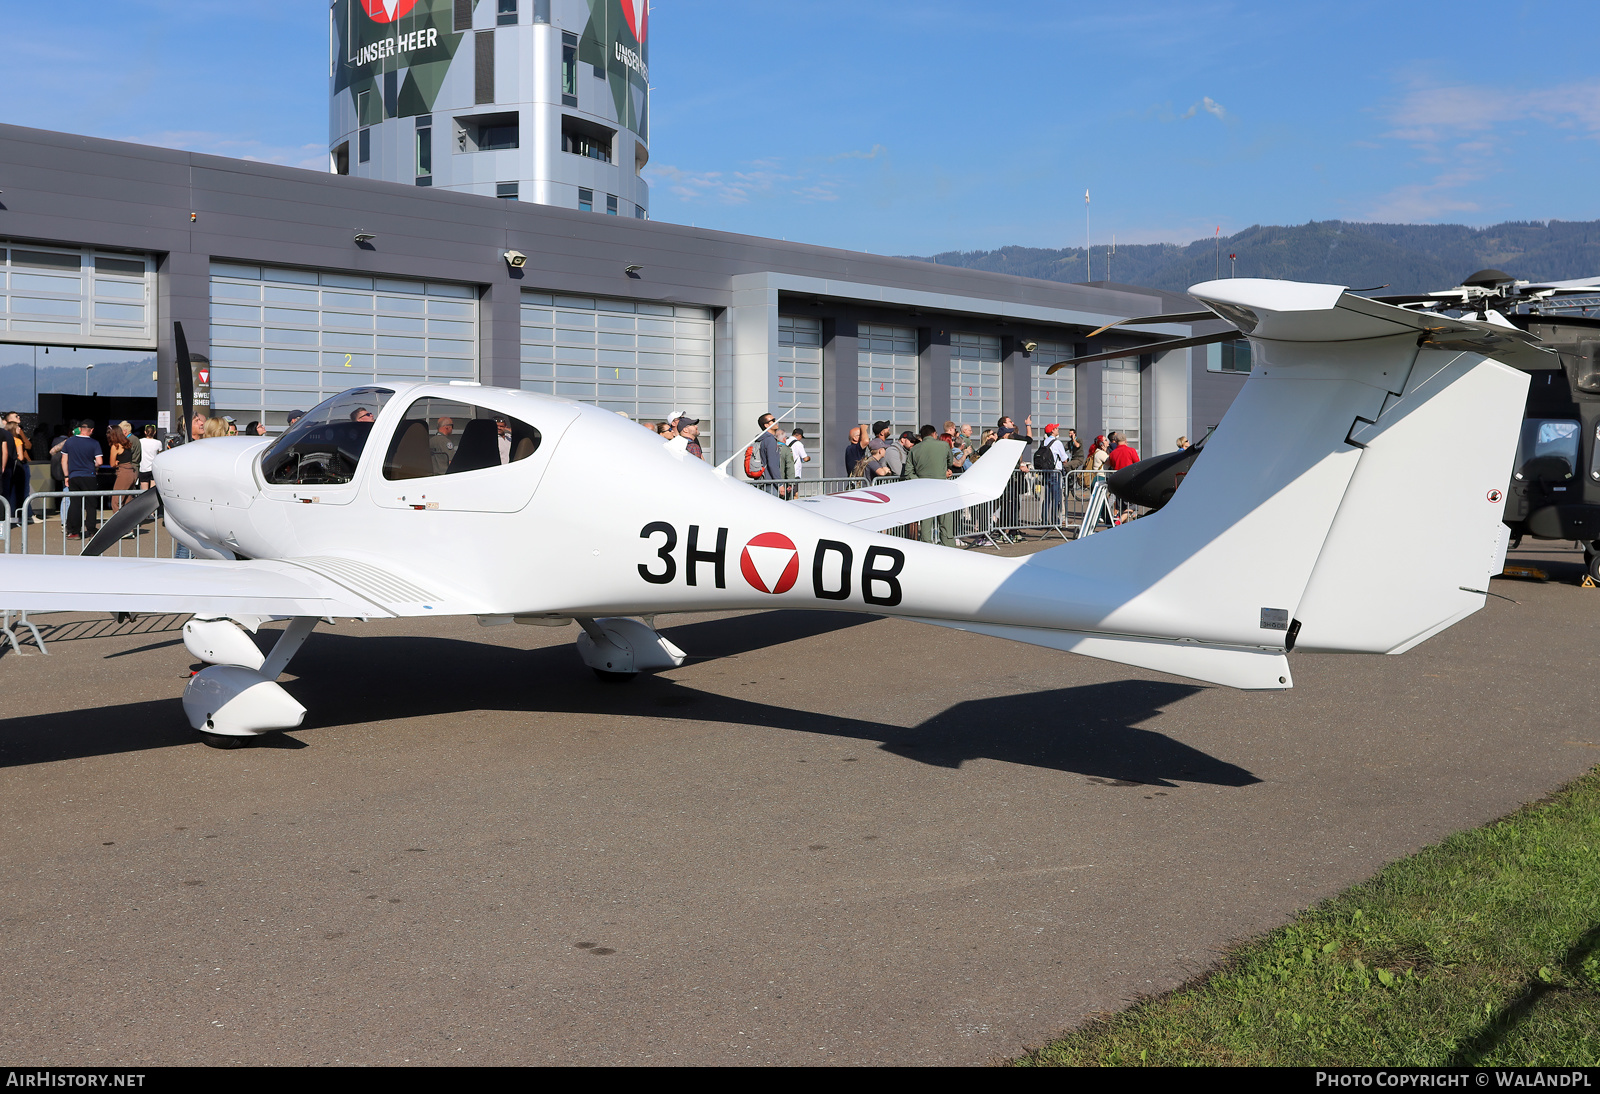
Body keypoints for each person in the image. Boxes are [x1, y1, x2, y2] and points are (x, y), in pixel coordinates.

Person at [908, 425, 958, 545]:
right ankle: (948, 544)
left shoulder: (914, 449)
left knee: (926, 519)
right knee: (946, 518)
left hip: (924, 488)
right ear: (934, 434)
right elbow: (950, 462)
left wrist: (920, 480)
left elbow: (908, 472)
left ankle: (926, 545)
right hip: (941, 486)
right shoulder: (944, 445)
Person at [61, 420, 103, 539]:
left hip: (74, 475)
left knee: (75, 503)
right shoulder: (94, 443)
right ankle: (91, 530)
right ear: (92, 430)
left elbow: (64, 460)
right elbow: (99, 462)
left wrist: (66, 476)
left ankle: (74, 531)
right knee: (90, 504)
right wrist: (93, 464)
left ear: (80, 428)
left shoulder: (69, 441)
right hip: (89, 475)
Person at [107, 424, 137, 509]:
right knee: (128, 500)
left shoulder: (115, 446)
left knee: (116, 500)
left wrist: (116, 463)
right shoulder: (127, 443)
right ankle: (130, 521)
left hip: (123, 473)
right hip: (132, 472)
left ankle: (117, 522)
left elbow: (112, 464)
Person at [137, 424, 161, 491]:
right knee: (152, 492)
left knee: (144, 492)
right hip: (154, 469)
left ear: (145, 432)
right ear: (154, 432)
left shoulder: (140, 441)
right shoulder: (158, 443)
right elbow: (160, 454)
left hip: (143, 468)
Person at [775, 427, 796, 497]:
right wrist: (791, 483)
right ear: (784, 439)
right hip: (781, 482)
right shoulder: (786, 450)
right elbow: (790, 467)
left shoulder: (769, 447)